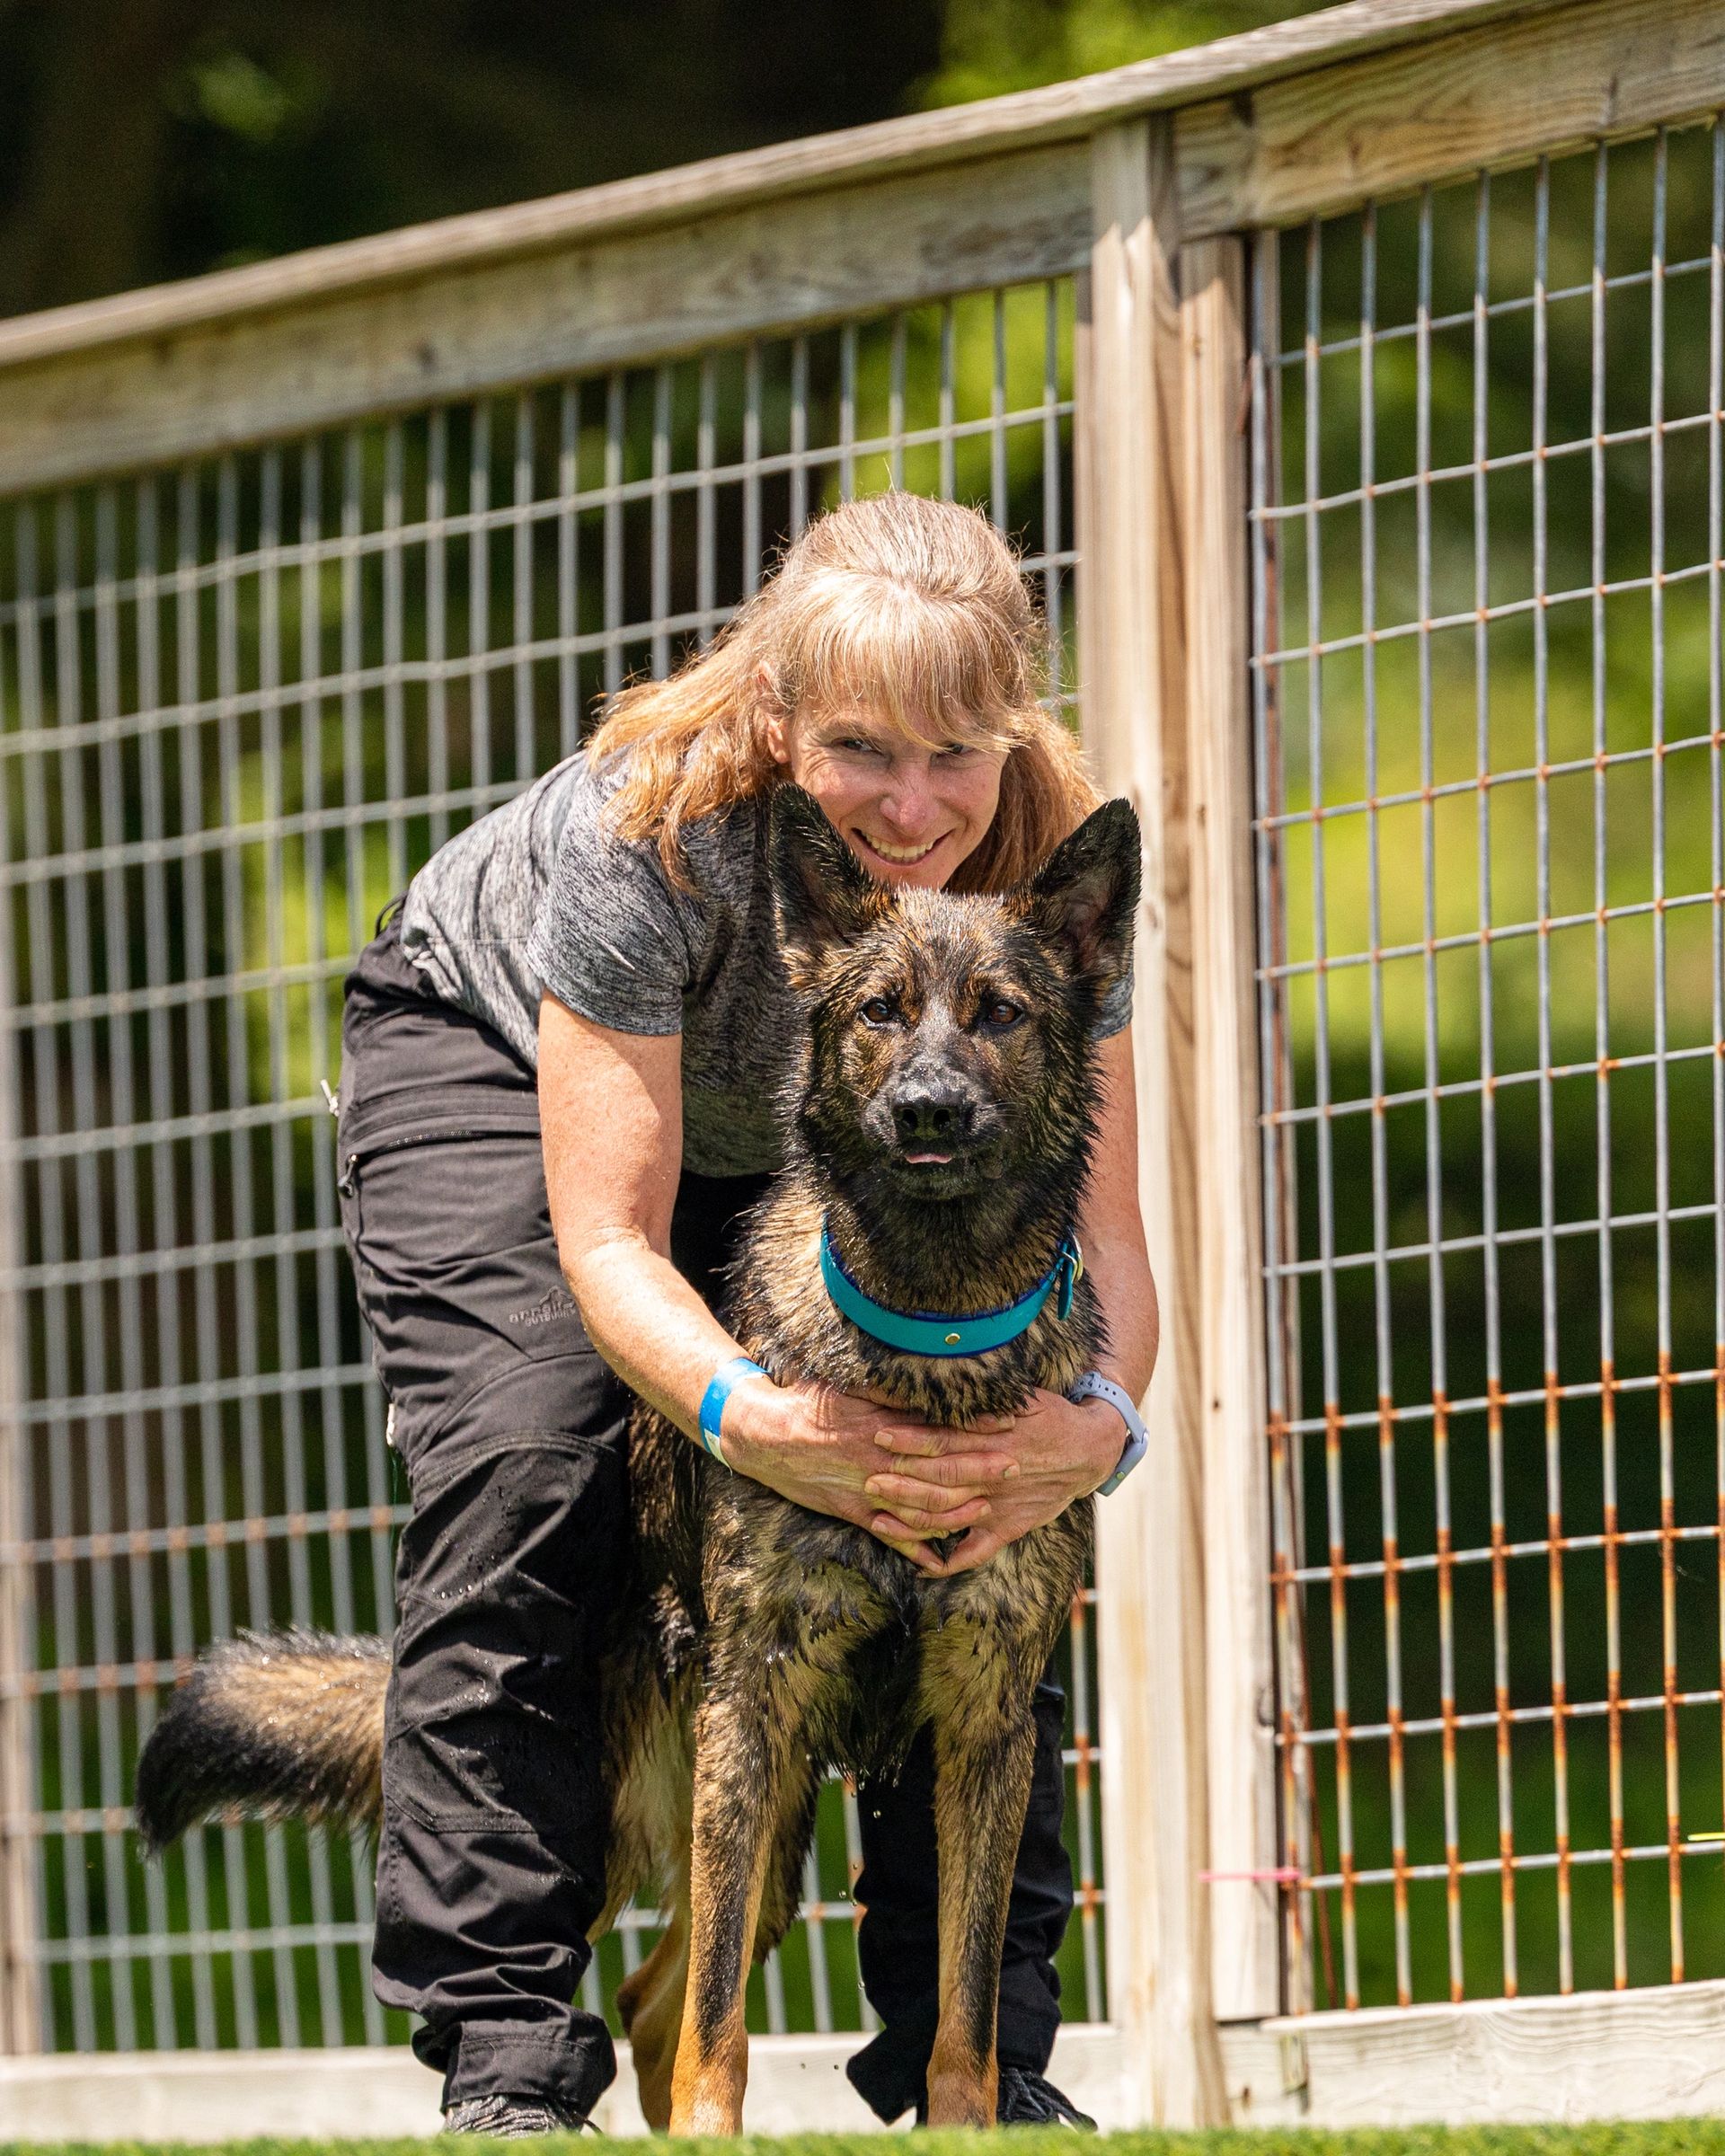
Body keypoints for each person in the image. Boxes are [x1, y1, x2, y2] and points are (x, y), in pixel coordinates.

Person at [335, 490, 1159, 2137]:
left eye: (958, 752)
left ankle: (980, 2069)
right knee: (532, 1452)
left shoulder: (1047, 863)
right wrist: (763, 1424)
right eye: (861, 749)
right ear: (778, 715)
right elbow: (610, 1238)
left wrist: (1088, 1438)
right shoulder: (643, 832)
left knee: (984, 1486)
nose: (915, 806)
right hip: (515, 1069)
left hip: (859, 1128)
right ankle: (506, 2050)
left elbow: (1107, 1240)